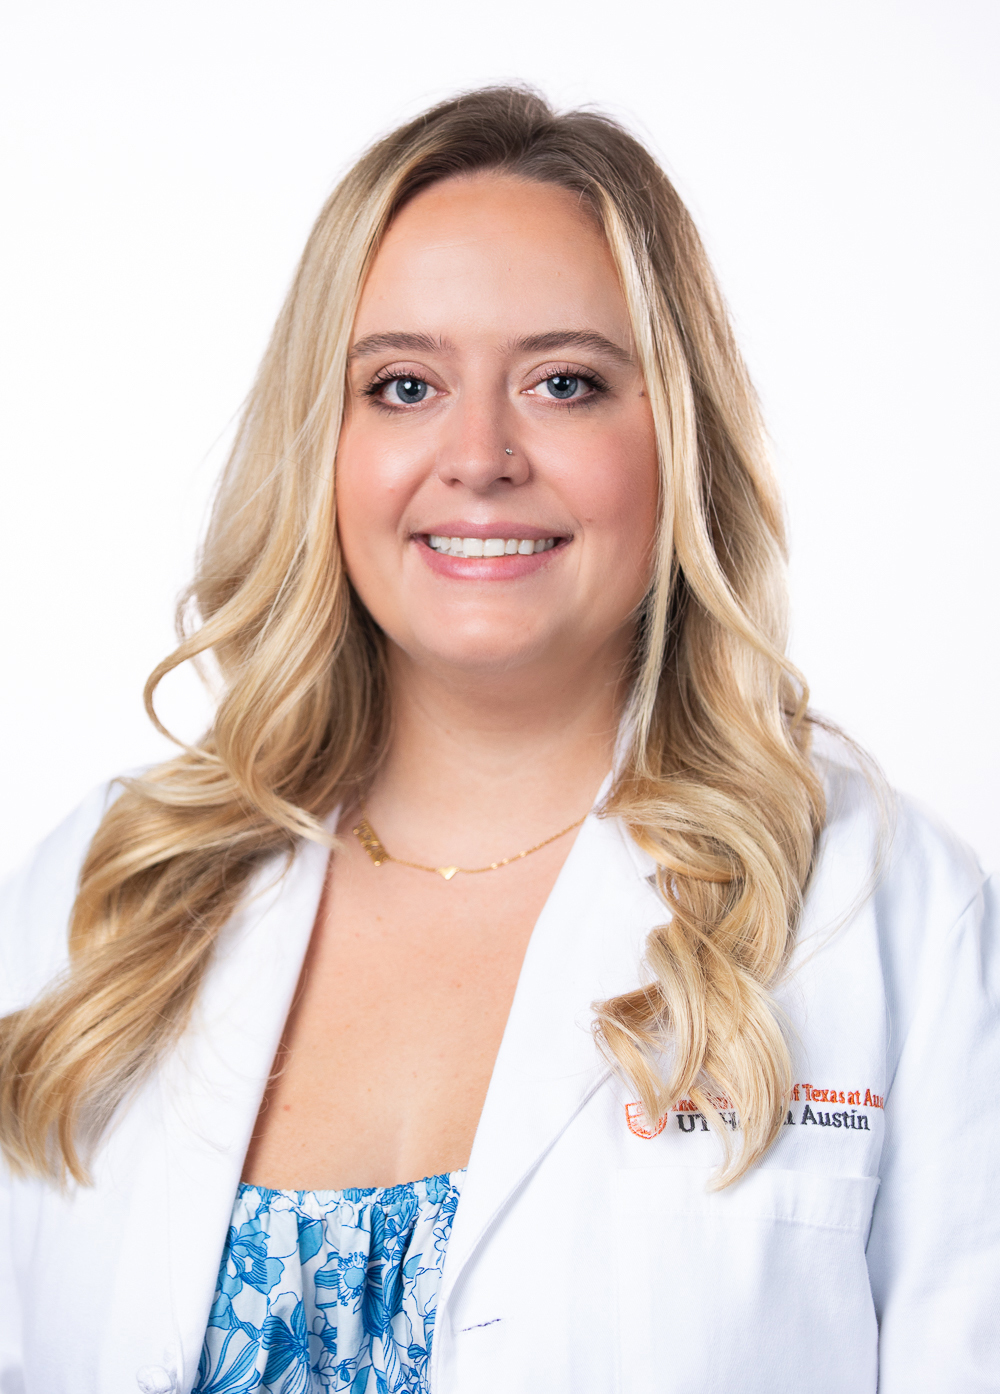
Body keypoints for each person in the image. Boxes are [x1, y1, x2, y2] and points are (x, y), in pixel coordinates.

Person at [0, 85, 996, 1394]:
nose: (478, 454)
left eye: (566, 383)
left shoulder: (884, 907)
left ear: (674, 439)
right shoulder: (112, 890)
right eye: (403, 384)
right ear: (328, 443)